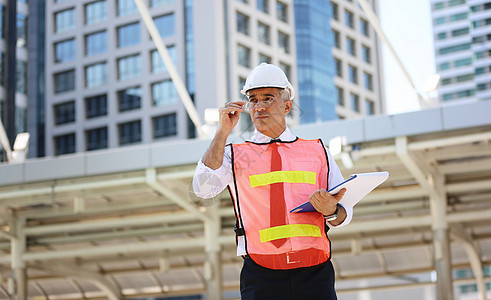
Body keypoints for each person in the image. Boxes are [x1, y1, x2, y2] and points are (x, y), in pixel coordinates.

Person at [193, 63, 353, 300]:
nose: (258, 106)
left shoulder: (318, 151)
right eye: (253, 99)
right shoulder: (233, 154)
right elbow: (203, 189)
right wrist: (222, 132)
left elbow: (345, 213)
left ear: (287, 105)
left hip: (314, 272)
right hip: (261, 275)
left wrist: (331, 211)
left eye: (268, 98)